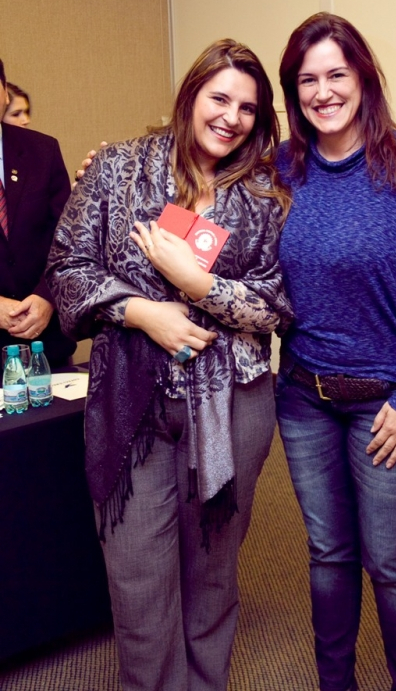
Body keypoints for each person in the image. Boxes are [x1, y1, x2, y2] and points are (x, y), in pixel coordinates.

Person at [46, 39, 292, 691]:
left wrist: (197, 284)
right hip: (132, 404)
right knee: (138, 577)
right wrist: (141, 312)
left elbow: (274, 305)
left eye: (247, 108)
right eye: (219, 98)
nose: (231, 117)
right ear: (190, 96)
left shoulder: (264, 196)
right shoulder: (117, 169)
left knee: (212, 573)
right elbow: (66, 271)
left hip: (233, 405)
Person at [275, 13, 396, 691]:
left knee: (388, 560)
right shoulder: (282, 167)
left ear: (362, 77)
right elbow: (203, 202)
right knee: (327, 554)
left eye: (336, 74)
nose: (323, 91)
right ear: (293, 91)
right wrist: (117, 171)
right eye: (307, 80)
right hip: (303, 397)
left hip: (390, 404)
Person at [0, 60, 75, 367]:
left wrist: (48, 297)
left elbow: (69, 238)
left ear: (5, 92)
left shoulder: (43, 150)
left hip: (45, 343)